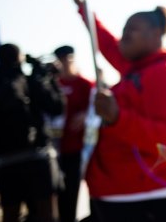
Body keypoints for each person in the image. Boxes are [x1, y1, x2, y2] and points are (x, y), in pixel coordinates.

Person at [65, 0, 166, 222]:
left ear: (156, 33)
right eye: (124, 28)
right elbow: (102, 40)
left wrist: (117, 117)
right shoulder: (133, 69)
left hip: (146, 196)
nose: (123, 35)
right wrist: (81, 5)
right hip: (119, 192)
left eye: (132, 29)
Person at [0, 43, 65, 222]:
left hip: (6, 162)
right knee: (47, 214)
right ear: (20, 58)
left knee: (10, 214)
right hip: (38, 157)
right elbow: (56, 107)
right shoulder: (29, 80)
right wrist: (47, 77)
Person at [53, 45, 93, 222]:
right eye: (61, 60)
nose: (65, 63)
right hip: (56, 150)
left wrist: (85, 115)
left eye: (68, 59)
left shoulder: (85, 84)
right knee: (57, 196)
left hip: (79, 150)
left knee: (74, 194)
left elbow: (96, 111)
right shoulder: (53, 85)